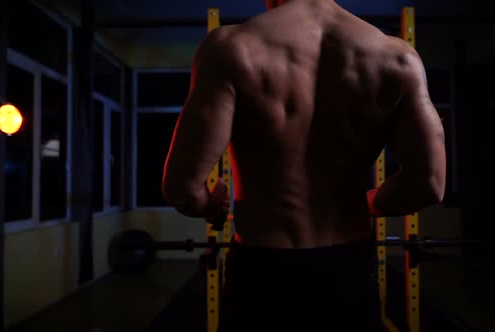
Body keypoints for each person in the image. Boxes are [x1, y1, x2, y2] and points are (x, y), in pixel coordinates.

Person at [162, 0, 446, 330]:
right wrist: (366, 203)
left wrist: (209, 206)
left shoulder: (232, 49)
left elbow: (180, 189)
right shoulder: (398, 57)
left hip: (262, 272)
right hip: (348, 270)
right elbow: (429, 182)